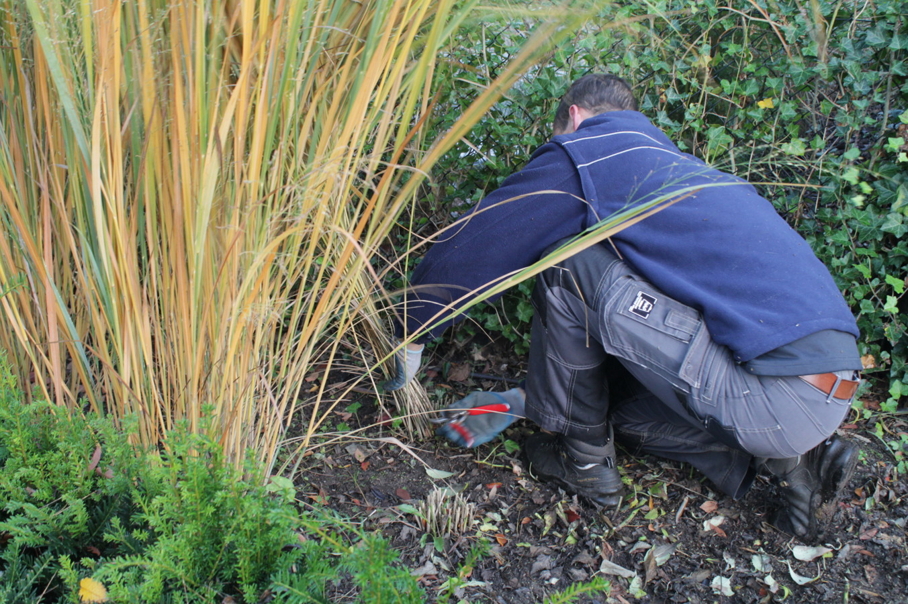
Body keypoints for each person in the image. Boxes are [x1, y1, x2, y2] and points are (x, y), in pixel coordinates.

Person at [385, 73, 862, 543]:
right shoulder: (685, 171)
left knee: (567, 261)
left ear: (574, 118)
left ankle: (585, 465)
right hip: (825, 392)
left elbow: (476, 243)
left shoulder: (595, 153)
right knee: (624, 416)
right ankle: (797, 462)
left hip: (772, 393)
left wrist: (411, 330)